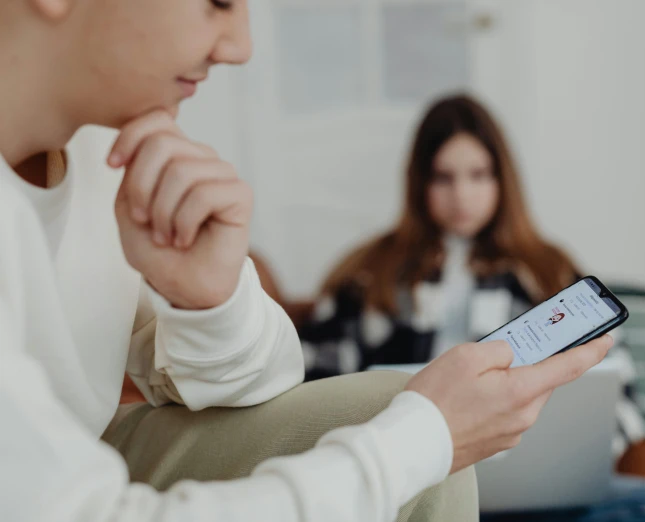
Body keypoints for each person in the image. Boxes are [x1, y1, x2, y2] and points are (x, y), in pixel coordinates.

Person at [0, 2, 613, 522]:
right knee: (418, 430)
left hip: (96, 453)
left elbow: (266, 387)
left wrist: (210, 300)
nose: (241, 46)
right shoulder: (378, 272)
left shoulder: (108, 151)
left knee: (391, 404)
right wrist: (421, 440)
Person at [298, 94, 645, 522]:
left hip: (539, 489)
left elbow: (613, 394)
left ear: (503, 179)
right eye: (444, 177)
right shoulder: (370, 273)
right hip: (411, 485)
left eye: (479, 175)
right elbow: (315, 393)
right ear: (420, 183)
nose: (462, 195)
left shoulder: (545, 270)